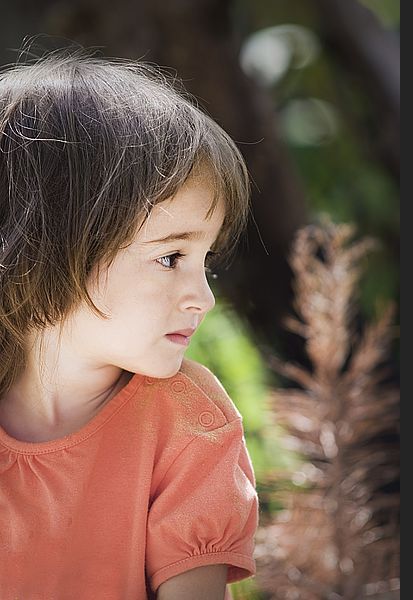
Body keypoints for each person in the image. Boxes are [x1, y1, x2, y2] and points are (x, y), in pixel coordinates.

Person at [0, 48, 258, 600]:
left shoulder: (189, 422)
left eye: (205, 262)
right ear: (51, 245)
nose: (203, 298)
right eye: (171, 258)